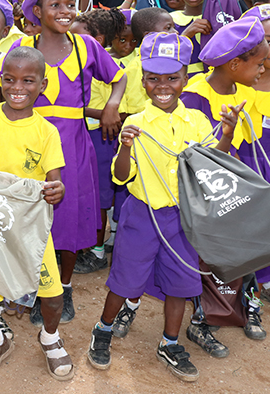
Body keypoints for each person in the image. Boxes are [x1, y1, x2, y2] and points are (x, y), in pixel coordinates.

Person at [88, 32, 240, 382]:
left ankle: (169, 342)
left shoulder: (198, 123)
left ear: (185, 78)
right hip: (142, 215)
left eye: (172, 78)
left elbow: (212, 165)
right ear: (143, 80)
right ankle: (103, 329)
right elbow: (121, 178)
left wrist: (228, 135)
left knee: (181, 284)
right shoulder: (136, 123)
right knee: (125, 281)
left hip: (183, 219)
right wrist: (125, 146)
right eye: (153, 78)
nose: (163, 86)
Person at [11, 0, 126, 322]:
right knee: (33, 217)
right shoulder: (24, 51)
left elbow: (119, 77)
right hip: (31, 142)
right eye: (54, 5)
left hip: (73, 145)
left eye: (69, 5)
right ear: (38, 10)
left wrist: (111, 106)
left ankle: (64, 287)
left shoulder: (84, 46)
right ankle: (34, 284)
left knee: (70, 218)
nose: (64, 12)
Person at [0, 46, 71, 380]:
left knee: (51, 293)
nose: (17, 87)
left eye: (28, 80)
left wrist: (57, 190)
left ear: (42, 85)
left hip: (29, 229)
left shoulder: (46, 131)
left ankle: (49, 336)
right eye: (9, 79)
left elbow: (55, 182)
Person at [180, 18, 270, 356]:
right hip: (210, 193)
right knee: (209, 256)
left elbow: (255, 143)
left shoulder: (248, 92)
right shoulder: (193, 95)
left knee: (247, 249)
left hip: (240, 189)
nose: (263, 69)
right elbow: (195, 154)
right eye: (259, 63)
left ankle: (248, 305)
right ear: (234, 65)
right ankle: (202, 319)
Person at [69, 8, 127, 275]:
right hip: (82, 132)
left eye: (79, 35)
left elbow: (115, 113)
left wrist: (75, 111)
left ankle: (96, 252)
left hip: (100, 136)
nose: (72, 40)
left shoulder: (105, 65)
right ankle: (80, 245)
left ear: (98, 39)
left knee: (99, 196)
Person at [170, 0, 219, 75]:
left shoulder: (219, 19)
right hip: (180, 85)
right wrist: (186, 35)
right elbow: (163, 57)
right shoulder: (169, 20)